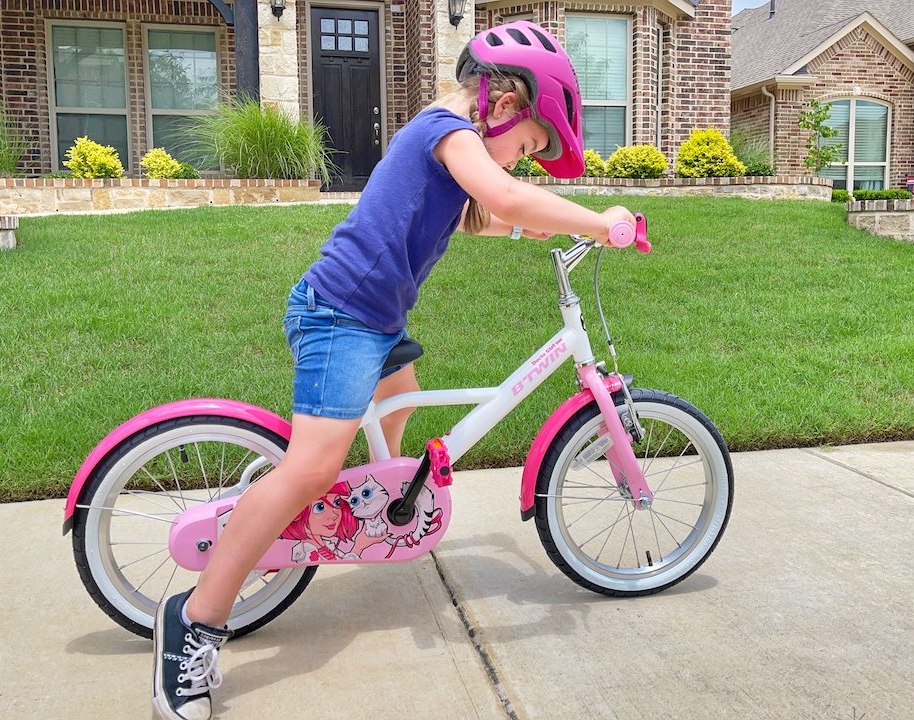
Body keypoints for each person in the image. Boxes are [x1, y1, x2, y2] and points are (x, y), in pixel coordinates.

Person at [152, 20, 636, 720]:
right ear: (503, 102)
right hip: (339, 315)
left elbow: (477, 214)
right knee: (313, 467)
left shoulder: (455, 146)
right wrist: (597, 220)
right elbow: (499, 197)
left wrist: (534, 222)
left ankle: (376, 519)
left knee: (397, 408)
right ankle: (193, 624)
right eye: (528, 147)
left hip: (376, 322)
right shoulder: (447, 128)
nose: (522, 164)